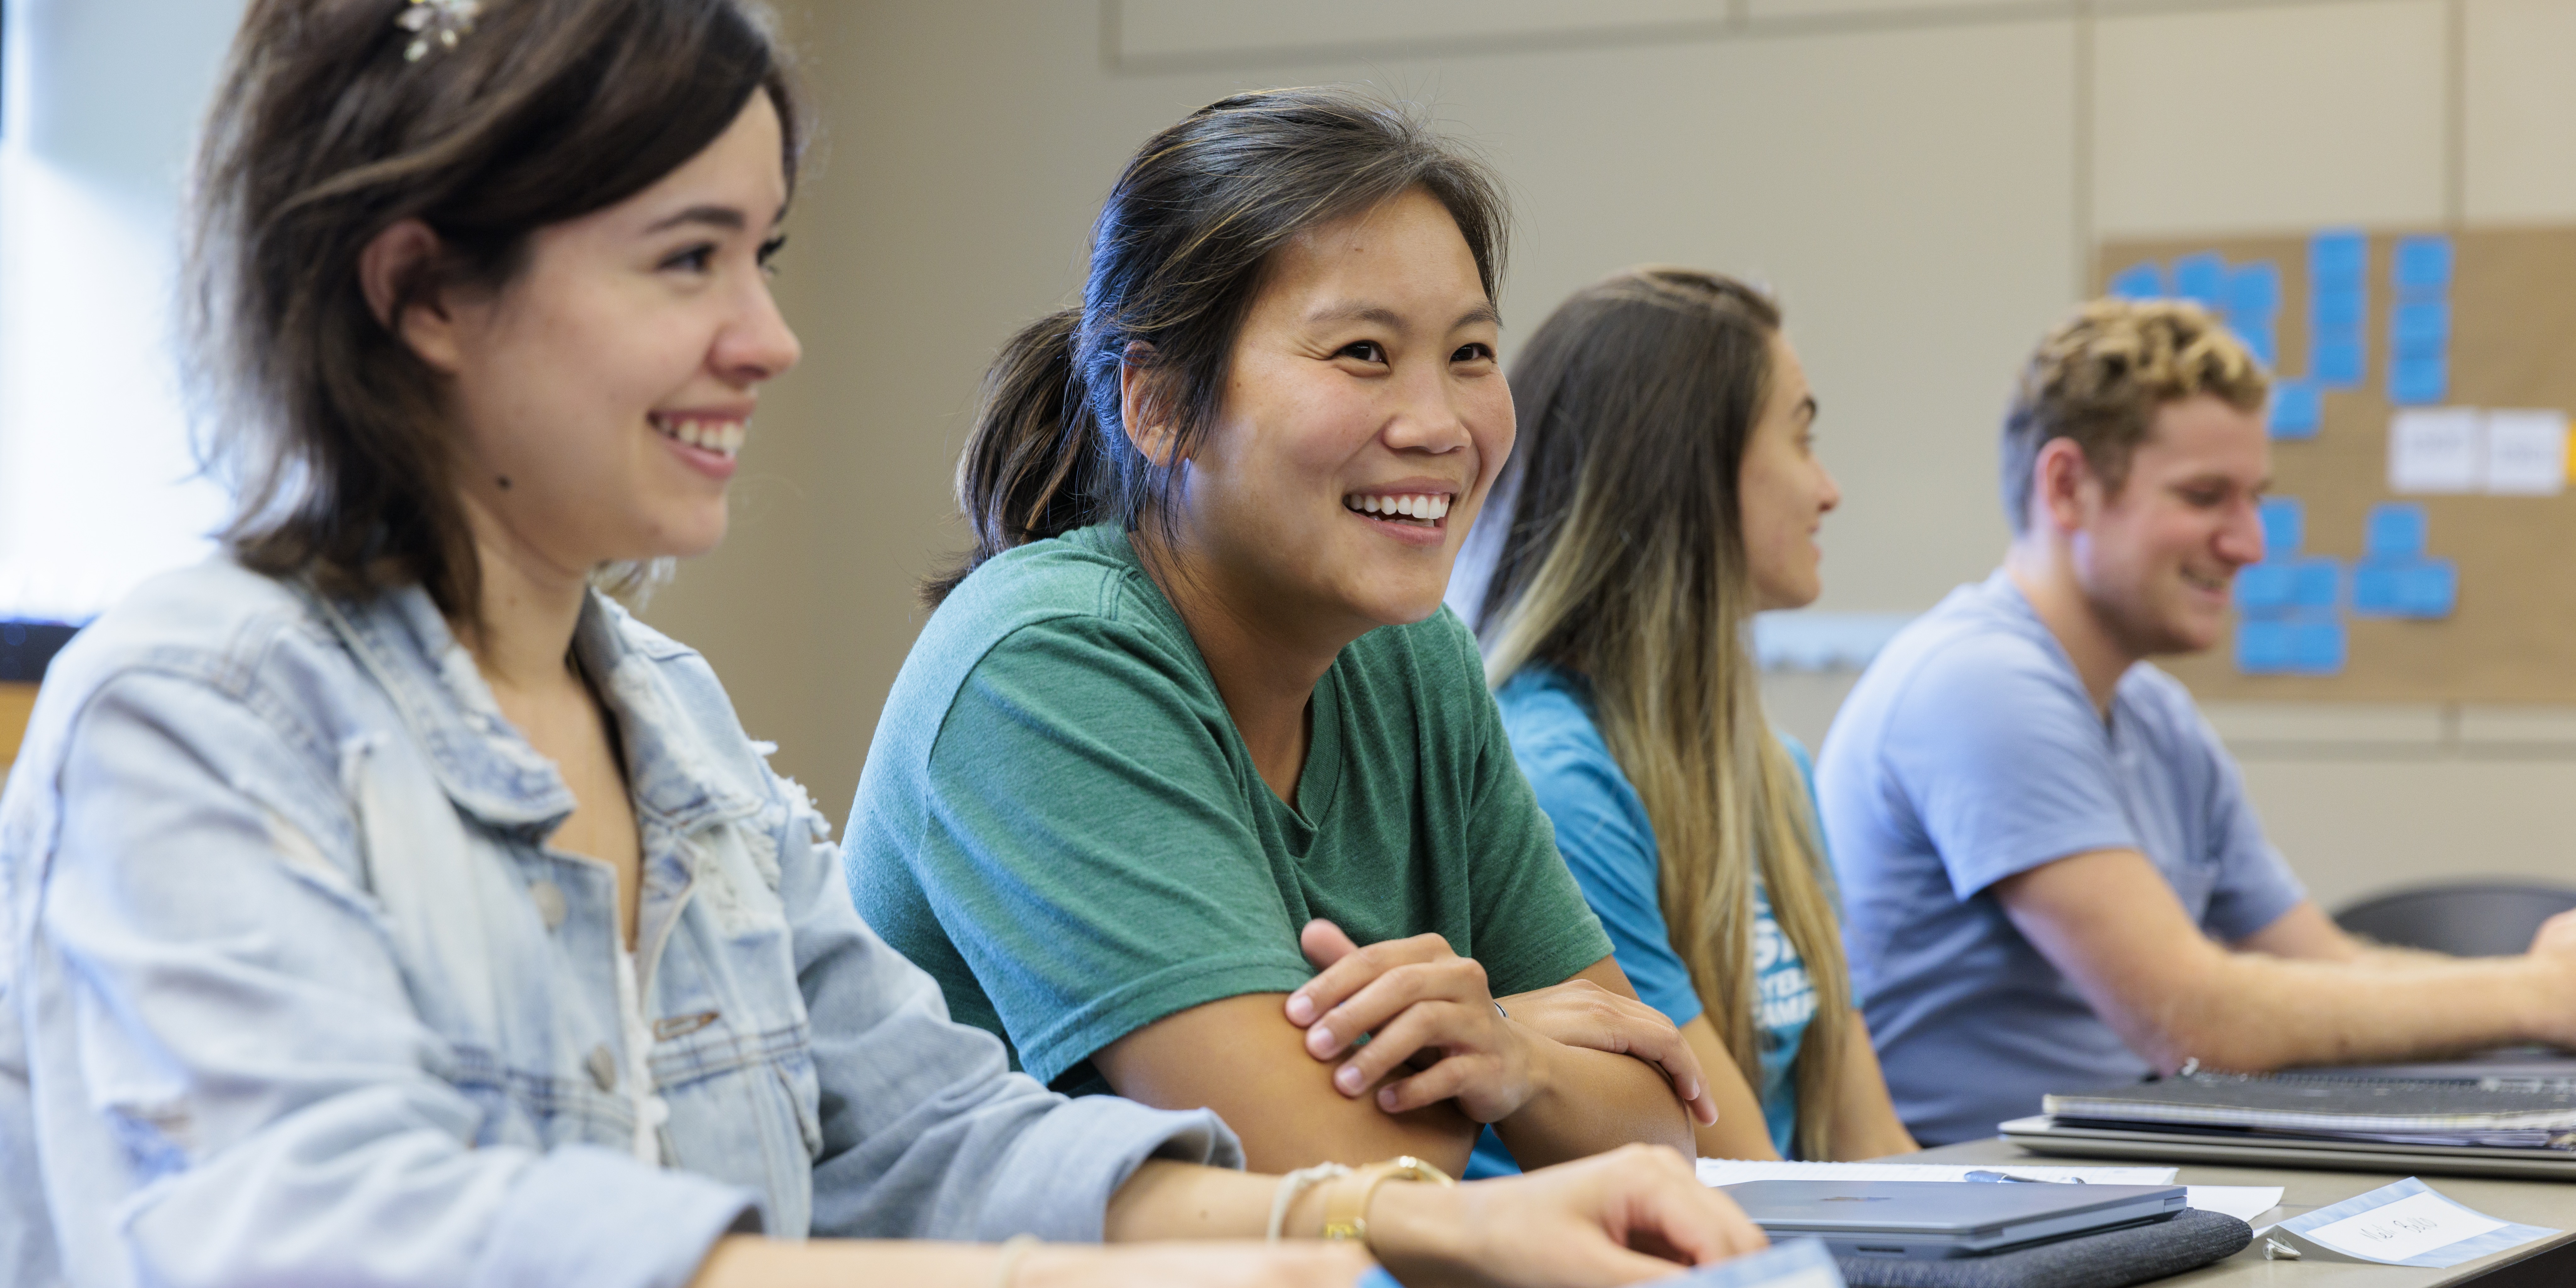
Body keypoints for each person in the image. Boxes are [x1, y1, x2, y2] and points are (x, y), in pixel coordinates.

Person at [0, 6, 1772, 1285]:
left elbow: (937, 1135)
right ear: (424, 294)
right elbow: (347, 1236)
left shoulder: (668, 725)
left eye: (763, 255)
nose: (769, 337)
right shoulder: (197, 709)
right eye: (688, 261)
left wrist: (1408, 1214)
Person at [845, 87, 1722, 1184]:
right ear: (1158, 404)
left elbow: (1659, 1126)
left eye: (1470, 353)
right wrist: (1520, 1062)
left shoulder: (1414, 658)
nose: (1439, 425)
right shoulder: (1041, 663)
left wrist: (1511, 1054)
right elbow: (1332, 1174)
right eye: (1361, 352)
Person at [1814, 298, 2576, 1145]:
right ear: (2067, 487)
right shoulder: (1977, 686)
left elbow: (2328, 967)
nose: (2250, 543)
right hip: (1965, 1205)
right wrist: (2534, 993)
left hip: (2107, 1182)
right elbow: (2197, 1022)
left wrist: (2542, 983)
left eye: (2255, 499)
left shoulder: (2153, 715)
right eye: (2206, 496)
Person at [1455, 268, 1917, 1163]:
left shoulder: (1773, 772)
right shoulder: (1557, 775)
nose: (1829, 490)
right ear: (1684, 472)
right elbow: (1735, 1169)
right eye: (1801, 438)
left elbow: (1872, 1145)